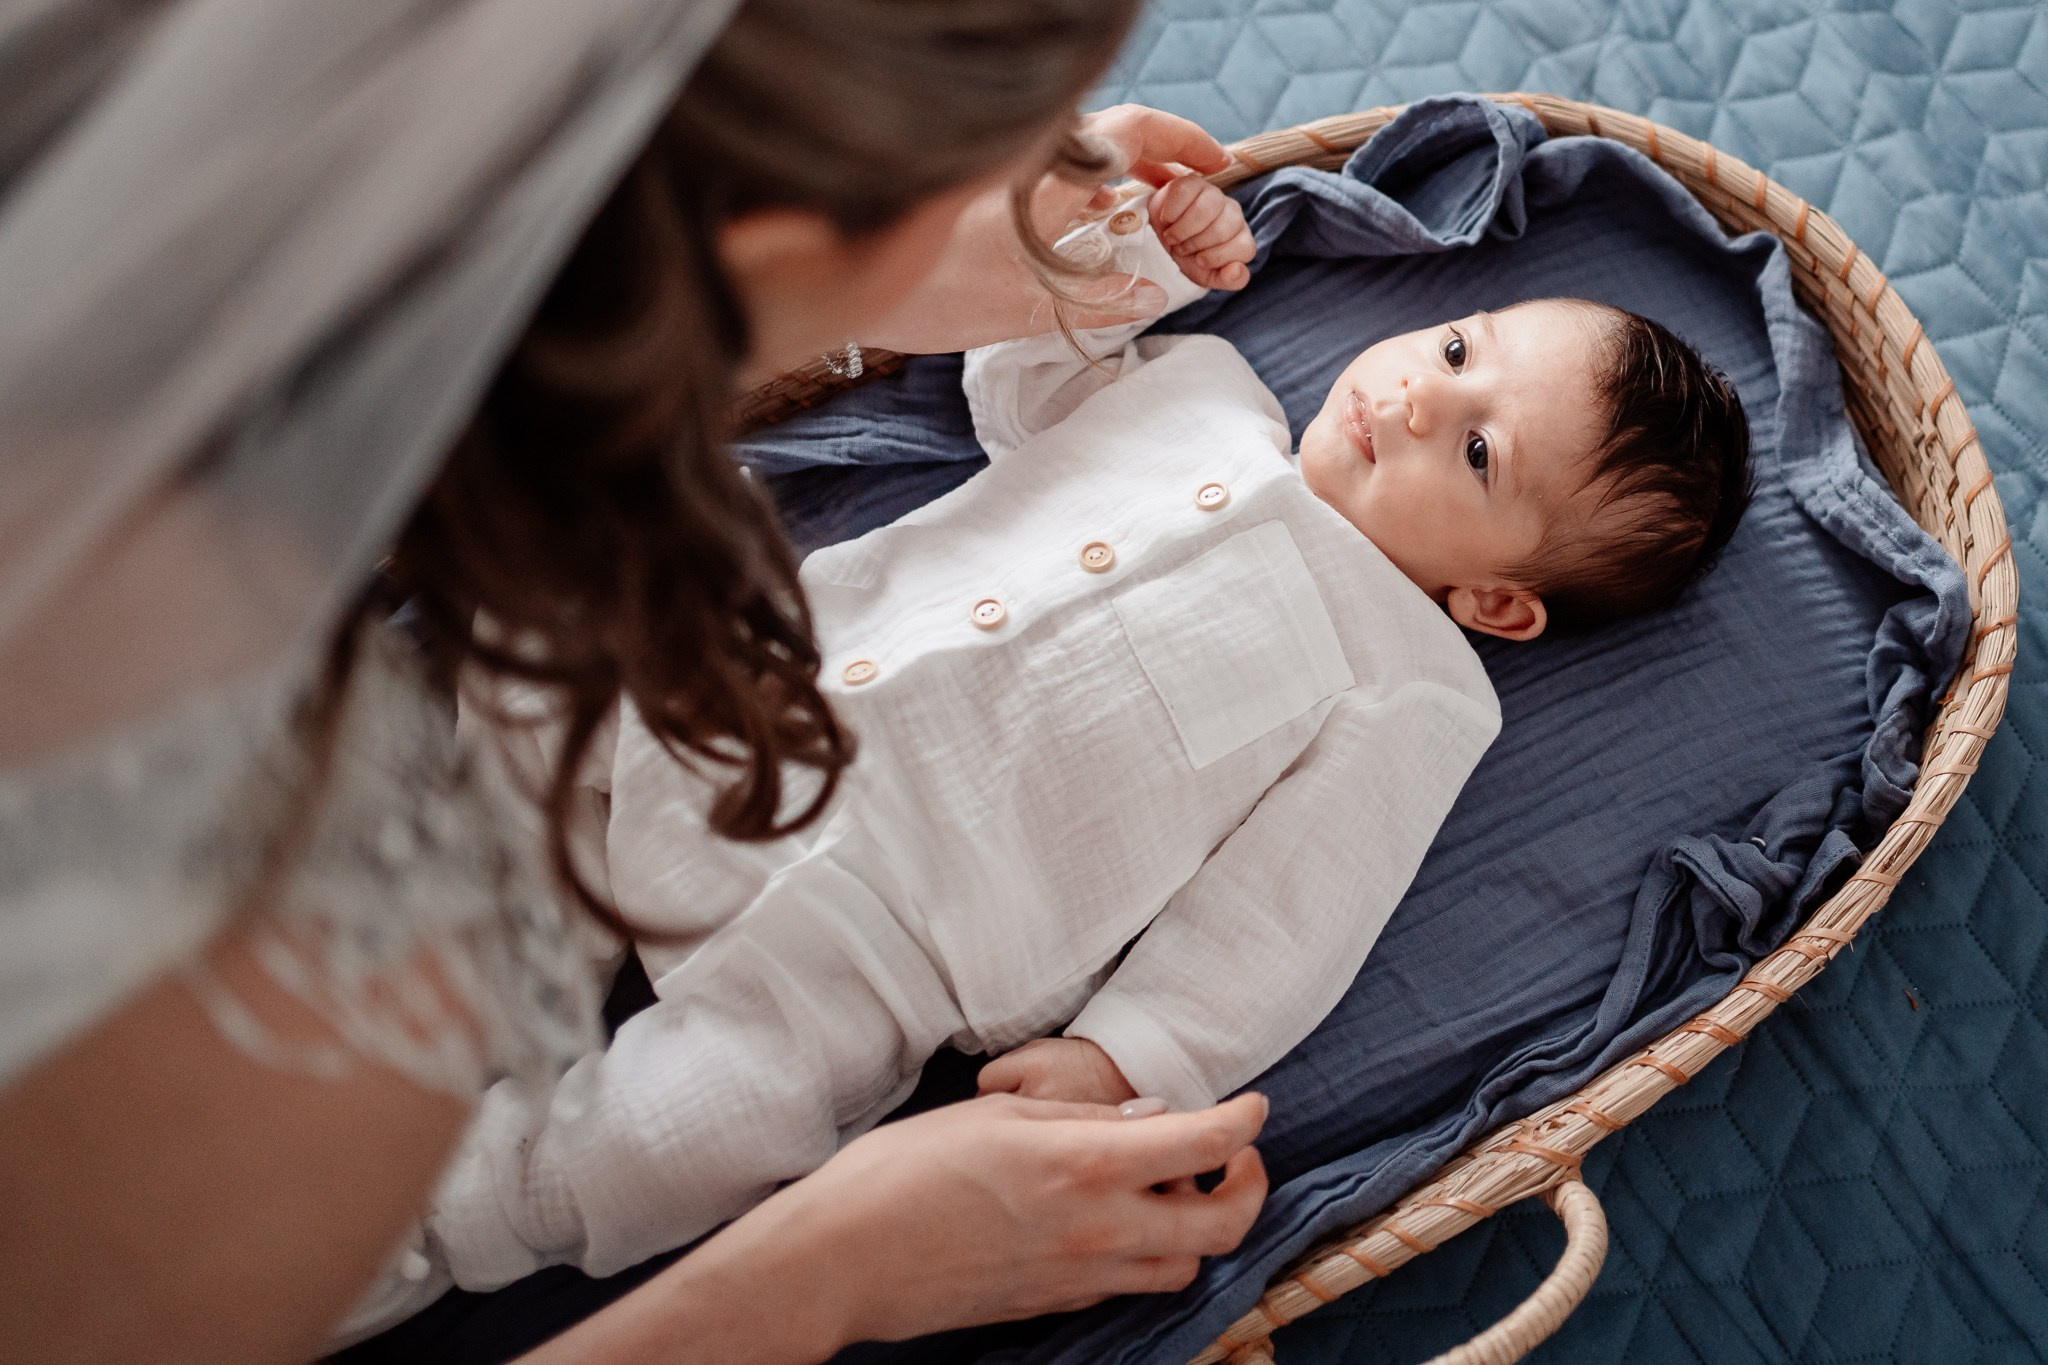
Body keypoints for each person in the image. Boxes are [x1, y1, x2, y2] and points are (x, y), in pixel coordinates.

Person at [0, 3, 1284, 1362]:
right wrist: (820, 1275)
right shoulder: (289, 1014)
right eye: (992, 156)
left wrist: (878, 275)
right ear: (761, 236)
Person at [399, 182, 1752, 1307]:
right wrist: (1120, 249)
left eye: (1477, 455)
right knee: (567, 593)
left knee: (698, 1131)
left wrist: (1128, 1058)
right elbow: (1020, 368)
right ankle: (487, 904)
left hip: (888, 941)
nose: (1412, 399)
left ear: (1500, 601)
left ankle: (435, 1219)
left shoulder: (1412, 689)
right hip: (745, 681)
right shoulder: (1208, 392)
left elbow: (1282, 919)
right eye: (1457, 350)